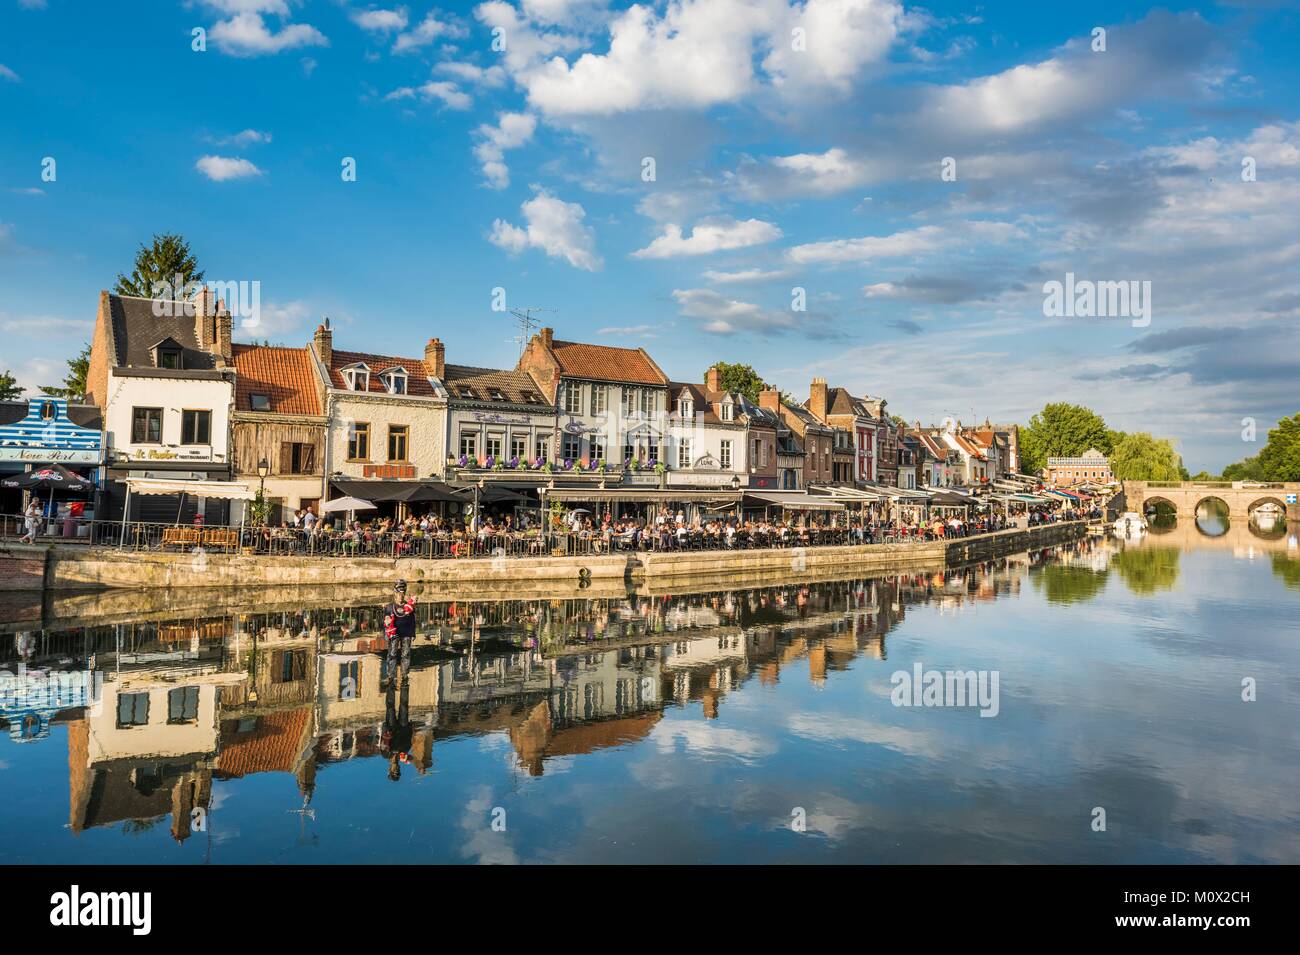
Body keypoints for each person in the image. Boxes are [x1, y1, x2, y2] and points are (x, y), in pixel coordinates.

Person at [382, 578, 416, 686]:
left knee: (406, 654)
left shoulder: (409, 607)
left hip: (406, 632)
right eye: (399, 593)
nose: (401, 595)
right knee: (392, 654)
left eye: (403, 593)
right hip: (394, 633)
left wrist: (413, 633)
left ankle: (404, 675)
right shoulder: (389, 607)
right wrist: (387, 631)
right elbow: (386, 622)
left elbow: (412, 620)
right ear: (395, 593)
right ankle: (391, 676)